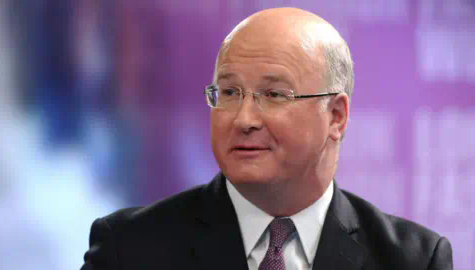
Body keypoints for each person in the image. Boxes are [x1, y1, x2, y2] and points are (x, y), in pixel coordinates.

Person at [81, 7, 452, 270]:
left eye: (274, 95)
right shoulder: (128, 249)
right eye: (228, 93)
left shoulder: (413, 259)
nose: (243, 119)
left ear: (336, 116)